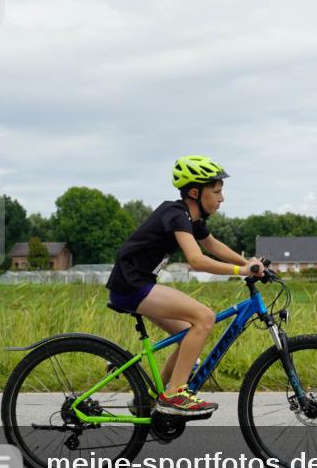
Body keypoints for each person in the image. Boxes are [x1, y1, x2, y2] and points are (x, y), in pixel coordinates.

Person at [105, 155, 264, 416]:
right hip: (132, 286)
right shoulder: (176, 214)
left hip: (138, 284)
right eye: (217, 191)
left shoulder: (190, 218)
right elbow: (197, 260)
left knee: (188, 333)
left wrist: (250, 264)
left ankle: (151, 399)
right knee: (204, 317)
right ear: (195, 192)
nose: (221, 198)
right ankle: (174, 394)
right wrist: (241, 270)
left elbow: (212, 245)